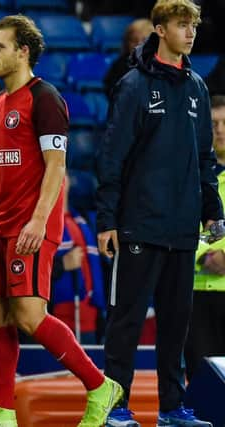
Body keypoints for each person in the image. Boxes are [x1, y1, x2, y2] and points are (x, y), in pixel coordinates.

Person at [0, 15, 122, 427]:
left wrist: (38, 221)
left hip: (30, 226)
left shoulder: (45, 98)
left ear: (23, 51)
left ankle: (100, 385)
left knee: (30, 316)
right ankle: (2, 411)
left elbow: (56, 166)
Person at [96, 1, 220, 426]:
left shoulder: (198, 88)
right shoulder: (133, 85)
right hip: (138, 226)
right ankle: (115, 407)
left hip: (182, 228)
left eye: (194, 27)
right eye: (182, 25)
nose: (190, 33)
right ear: (160, 29)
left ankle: (172, 408)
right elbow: (112, 156)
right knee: (126, 323)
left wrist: (212, 209)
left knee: (177, 326)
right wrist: (107, 220)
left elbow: (205, 156)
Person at [185, 94, 225, 381]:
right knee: (201, 381)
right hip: (195, 291)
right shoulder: (189, 175)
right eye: (213, 123)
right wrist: (204, 255)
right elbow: (179, 223)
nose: (220, 129)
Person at [51, 174, 105, 345]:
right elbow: (26, 270)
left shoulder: (84, 220)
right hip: (58, 321)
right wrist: (62, 264)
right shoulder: (39, 223)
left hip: (91, 321)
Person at [103, 18, 154, 98]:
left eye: (144, 40)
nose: (139, 45)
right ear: (127, 43)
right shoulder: (119, 66)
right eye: (134, 41)